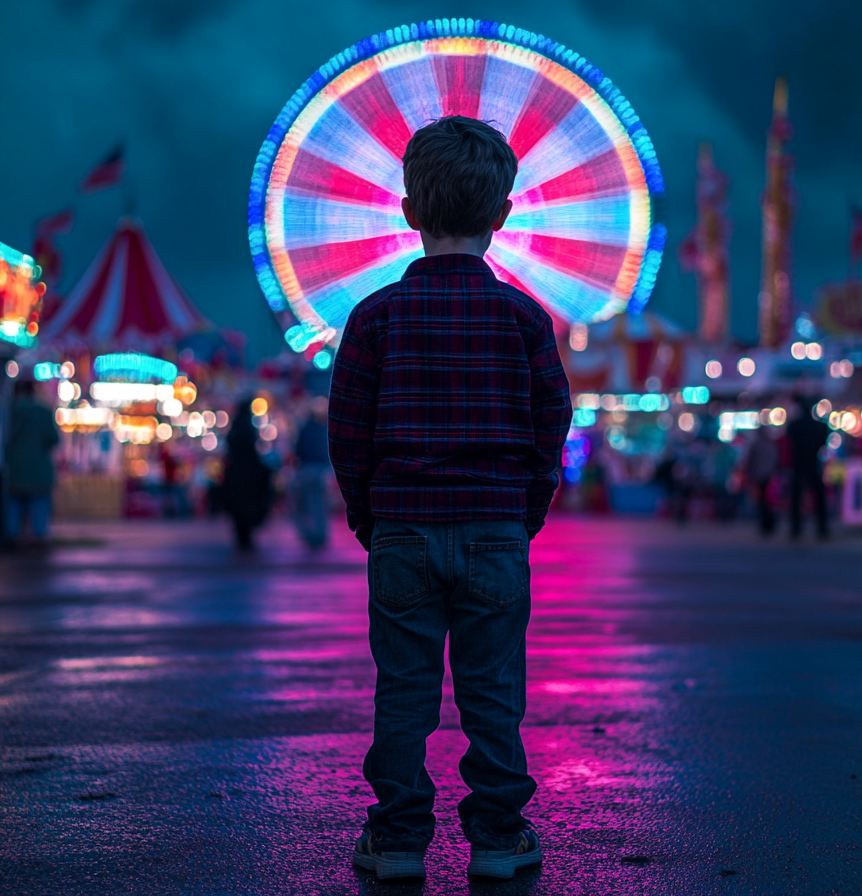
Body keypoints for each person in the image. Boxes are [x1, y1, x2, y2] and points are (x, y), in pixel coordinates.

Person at [328, 116, 571, 883]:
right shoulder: (526, 320)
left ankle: (398, 838)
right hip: (496, 525)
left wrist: (370, 515)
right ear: (502, 217)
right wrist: (524, 511)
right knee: (493, 689)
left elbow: (348, 430)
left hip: (402, 524)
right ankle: (499, 837)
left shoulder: (374, 318)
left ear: (408, 212)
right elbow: (550, 422)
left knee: (403, 691)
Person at [4, 379, 59, 545]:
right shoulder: (43, 412)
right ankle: (38, 542)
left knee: (13, 513)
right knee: (39, 515)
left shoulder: (7, 413)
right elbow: (53, 439)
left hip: (13, 471)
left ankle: (12, 540)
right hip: (39, 472)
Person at [220, 400, 274, 551]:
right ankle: (247, 536)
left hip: (237, 474)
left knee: (239, 509)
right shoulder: (249, 428)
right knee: (248, 507)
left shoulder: (235, 427)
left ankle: (241, 536)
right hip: (249, 474)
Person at [786, 396, 830, 539]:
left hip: (799, 464)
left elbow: (789, 443)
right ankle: (822, 528)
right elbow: (823, 443)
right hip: (813, 463)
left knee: (796, 498)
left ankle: (796, 528)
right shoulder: (820, 427)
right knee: (819, 497)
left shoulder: (794, 426)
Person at [292, 396, 331, 549]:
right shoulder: (322, 430)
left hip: (307, 469)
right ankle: (320, 534)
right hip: (319, 470)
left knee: (307, 504)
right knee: (319, 504)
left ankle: (311, 534)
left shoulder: (306, 428)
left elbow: (298, 449)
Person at [744, 426, 780, 536]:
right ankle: (769, 523)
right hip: (769, 475)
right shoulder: (771, 444)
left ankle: (765, 524)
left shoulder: (756, 445)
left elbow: (750, 460)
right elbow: (776, 459)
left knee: (762, 501)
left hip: (760, 475)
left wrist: (750, 474)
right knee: (768, 501)